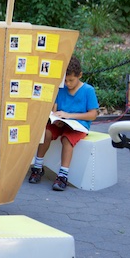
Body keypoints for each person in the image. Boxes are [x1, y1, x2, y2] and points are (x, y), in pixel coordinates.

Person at [28, 55, 99, 191]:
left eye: (71, 80)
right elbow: (54, 108)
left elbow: (93, 114)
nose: (68, 84)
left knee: (67, 140)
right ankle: (37, 167)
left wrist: (69, 116)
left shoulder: (88, 90)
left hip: (78, 125)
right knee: (46, 133)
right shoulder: (61, 89)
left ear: (80, 75)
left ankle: (62, 175)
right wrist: (55, 117)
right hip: (61, 123)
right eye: (65, 80)